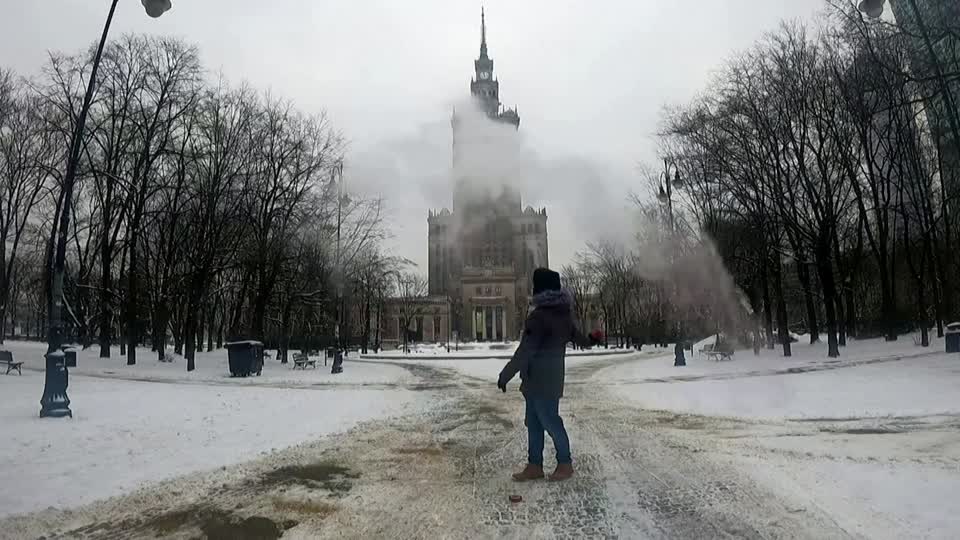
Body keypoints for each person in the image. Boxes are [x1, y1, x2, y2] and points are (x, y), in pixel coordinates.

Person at [497, 267, 595, 482]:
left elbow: (525, 350)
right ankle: (535, 466)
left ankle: (564, 462)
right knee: (535, 422)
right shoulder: (564, 316)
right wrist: (593, 338)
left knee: (548, 421)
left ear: (540, 289)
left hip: (538, 381)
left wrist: (506, 374)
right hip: (549, 379)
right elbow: (580, 339)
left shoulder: (538, 317)